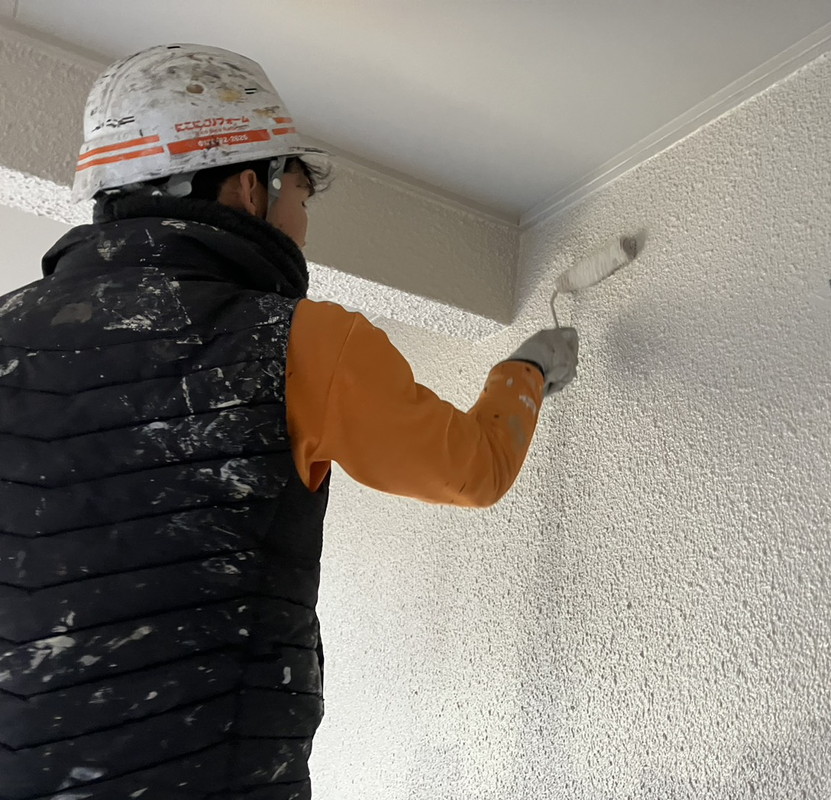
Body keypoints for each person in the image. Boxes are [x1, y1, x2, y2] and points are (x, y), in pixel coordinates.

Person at [0, 44, 578, 800]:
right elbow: (471, 469)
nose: (303, 226)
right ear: (251, 187)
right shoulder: (296, 340)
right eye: (301, 193)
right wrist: (525, 371)